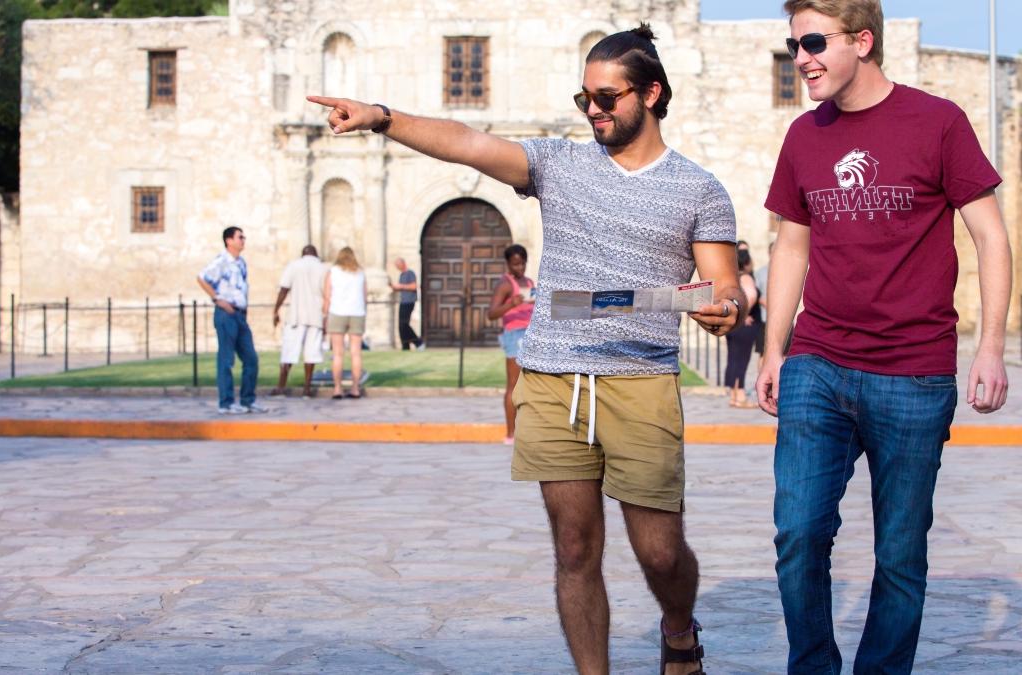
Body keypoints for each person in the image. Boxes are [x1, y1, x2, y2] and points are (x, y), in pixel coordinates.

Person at [309, 23, 744, 675]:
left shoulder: (699, 188)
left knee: (659, 551)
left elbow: (726, 285)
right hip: (551, 377)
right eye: (584, 100)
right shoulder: (558, 164)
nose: (594, 111)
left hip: (641, 380)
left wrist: (724, 308)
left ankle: (678, 628)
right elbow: (468, 143)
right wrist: (381, 118)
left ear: (652, 93)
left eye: (607, 97)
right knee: (574, 545)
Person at [755, 1, 1012, 672]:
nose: (800, 57)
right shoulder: (804, 137)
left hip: (916, 374)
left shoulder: (938, 123)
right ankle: (813, 663)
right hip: (819, 363)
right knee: (799, 533)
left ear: (862, 41)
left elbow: (990, 235)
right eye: (793, 45)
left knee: (900, 554)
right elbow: (790, 247)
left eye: (814, 41)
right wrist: (774, 347)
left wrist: (990, 346)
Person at [196, 226, 268, 415]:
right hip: (226, 314)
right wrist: (217, 299)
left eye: (244, 237)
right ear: (229, 240)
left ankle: (247, 400)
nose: (243, 240)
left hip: (240, 314)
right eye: (239, 237)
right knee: (226, 359)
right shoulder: (221, 261)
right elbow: (202, 278)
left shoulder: (241, 263)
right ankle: (226, 402)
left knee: (251, 358)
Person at [487, 243, 536, 445]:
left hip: (530, 333)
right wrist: (511, 304)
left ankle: (528, 430)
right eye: (515, 264)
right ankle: (510, 434)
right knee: (513, 384)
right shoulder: (505, 284)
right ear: (508, 264)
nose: (520, 268)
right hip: (514, 334)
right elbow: (491, 314)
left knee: (532, 385)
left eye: (522, 263)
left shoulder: (529, 281)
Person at [271, 244, 327, 398]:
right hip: (316, 315)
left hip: (296, 314)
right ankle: (307, 389)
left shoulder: (294, 266)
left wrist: (276, 309)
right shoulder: (323, 268)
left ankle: (281, 387)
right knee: (311, 354)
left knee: (289, 352)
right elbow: (328, 292)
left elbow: (284, 288)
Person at [323, 246, 368, 399]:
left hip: (338, 312)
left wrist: (324, 314)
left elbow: (327, 295)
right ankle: (355, 388)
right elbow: (364, 295)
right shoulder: (360, 273)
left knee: (338, 353)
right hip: (357, 312)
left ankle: (337, 388)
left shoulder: (333, 272)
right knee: (356, 353)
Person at [723, 249, 760, 408]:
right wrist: (743, 315)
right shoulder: (746, 277)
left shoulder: (732, 278)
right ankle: (741, 396)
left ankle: (733, 396)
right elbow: (751, 295)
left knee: (732, 359)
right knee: (742, 360)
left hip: (732, 324)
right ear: (746, 262)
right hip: (744, 326)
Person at [390, 257, 424, 350]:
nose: (397, 267)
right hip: (403, 301)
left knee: (404, 324)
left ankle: (418, 342)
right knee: (401, 325)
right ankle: (405, 346)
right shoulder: (401, 275)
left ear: (403, 263)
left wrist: (401, 286)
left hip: (409, 302)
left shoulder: (410, 273)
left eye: (398, 265)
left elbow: (414, 286)